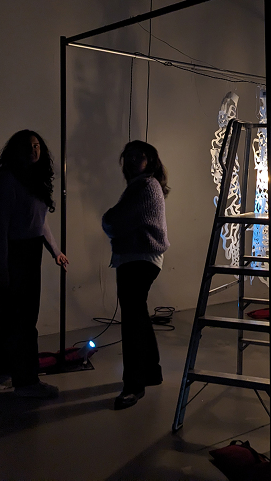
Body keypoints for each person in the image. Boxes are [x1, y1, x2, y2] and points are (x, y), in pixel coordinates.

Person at [0, 130, 69, 398]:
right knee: (20, 320)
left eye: (36, 146)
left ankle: (4, 373)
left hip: (30, 254)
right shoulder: (6, 181)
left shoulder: (33, 180)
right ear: (15, 151)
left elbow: (39, 221)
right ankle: (25, 381)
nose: (33, 150)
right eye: (27, 146)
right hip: (12, 254)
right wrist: (2, 270)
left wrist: (55, 251)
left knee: (16, 318)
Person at [102, 140, 170, 410]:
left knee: (132, 322)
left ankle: (133, 385)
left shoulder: (145, 186)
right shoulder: (142, 186)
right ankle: (151, 372)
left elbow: (114, 220)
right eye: (127, 157)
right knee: (138, 316)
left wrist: (108, 221)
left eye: (137, 156)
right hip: (139, 257)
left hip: (139, 258)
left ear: (149, 159)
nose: (131, 161)